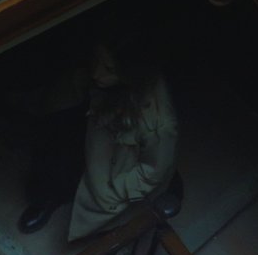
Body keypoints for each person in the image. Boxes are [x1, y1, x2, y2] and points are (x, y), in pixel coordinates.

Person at [17, 41, 183, 240]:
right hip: (95, 127)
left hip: (116, 163)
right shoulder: (98, 76)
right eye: (97, 61)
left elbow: (152, 171)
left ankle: (104, 216)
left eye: (109, 69)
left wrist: (116, 190)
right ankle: (48, 196)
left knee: (102, 206)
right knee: (52, 146)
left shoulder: (159, 122)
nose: (97, 73)